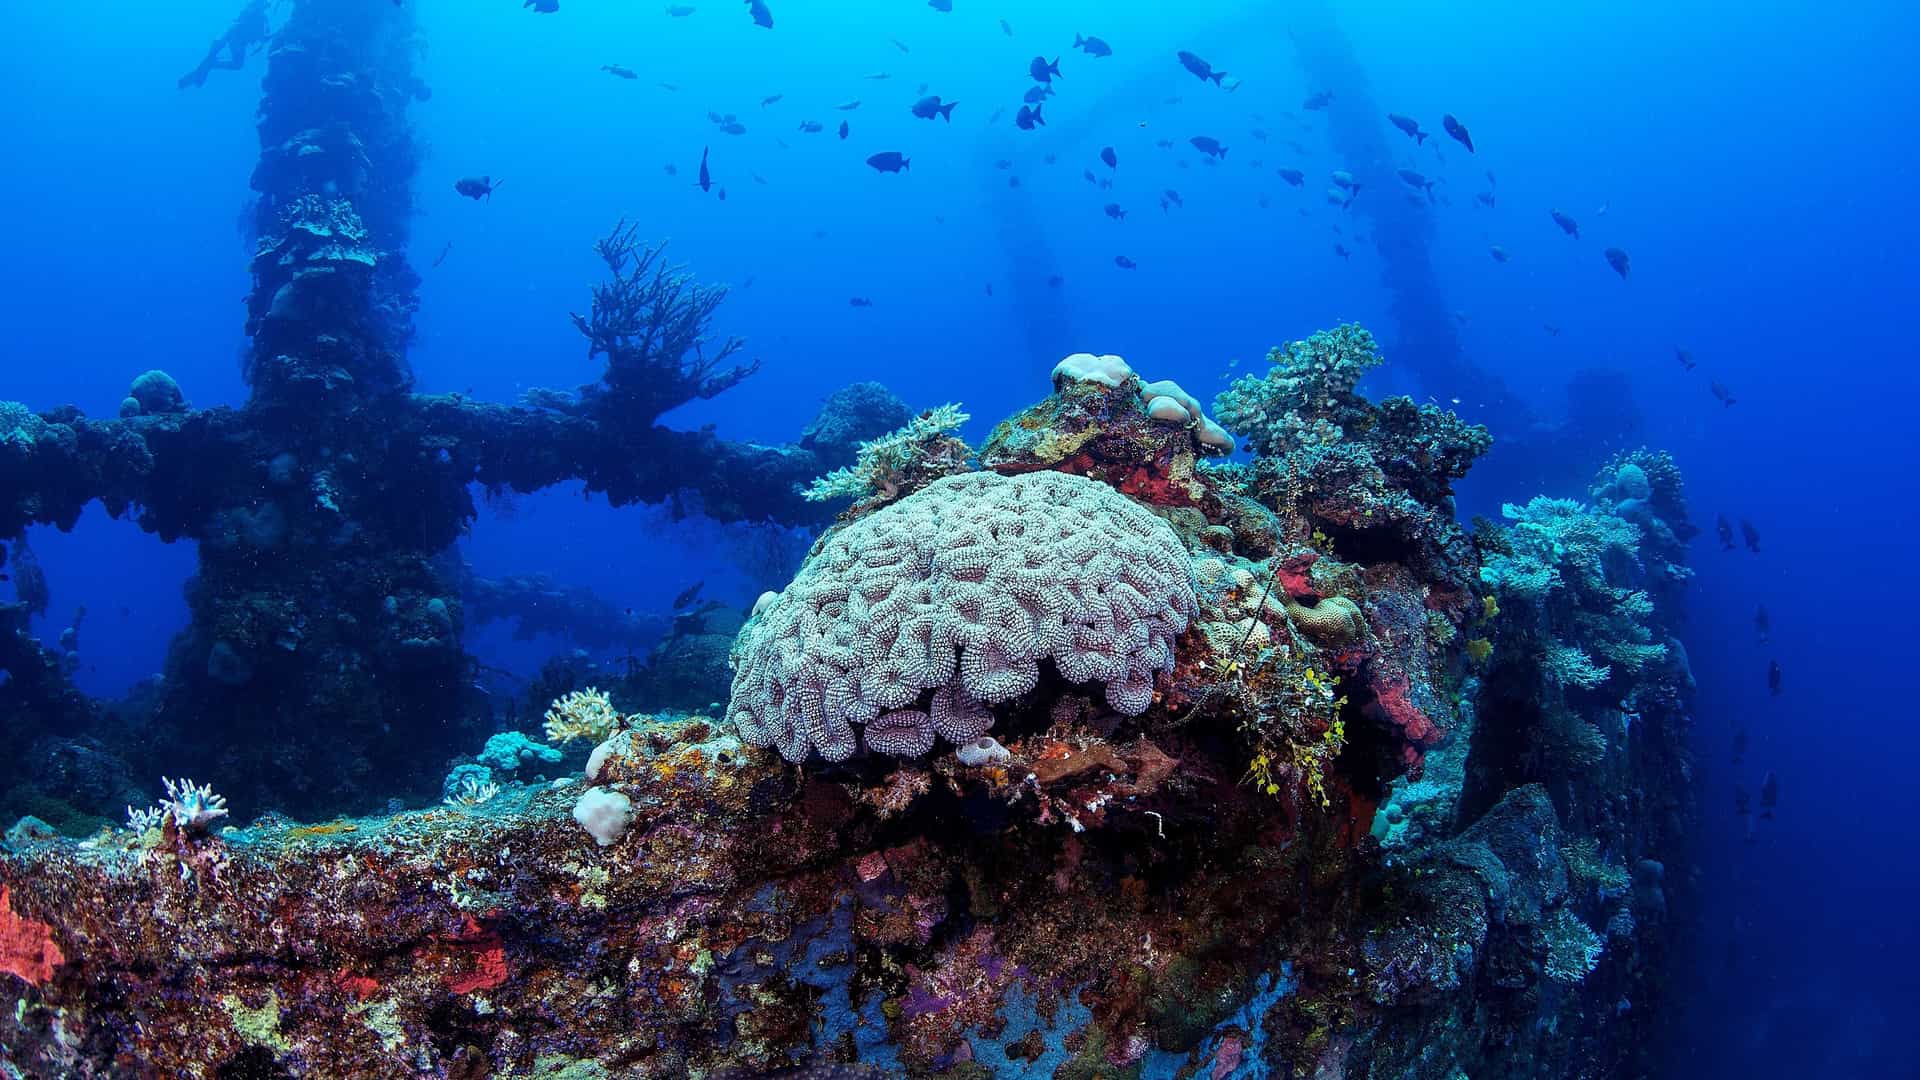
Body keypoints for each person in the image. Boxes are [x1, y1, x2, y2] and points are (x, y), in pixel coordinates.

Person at [178, 0, 270, 89]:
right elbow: (259, 35)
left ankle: (209, 65)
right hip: (236, 39)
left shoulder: (256, 15)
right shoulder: (257, 16)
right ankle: (210, 64)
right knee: (234, 63)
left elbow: (258, 35)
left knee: (234, 63)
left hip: (234, 38)